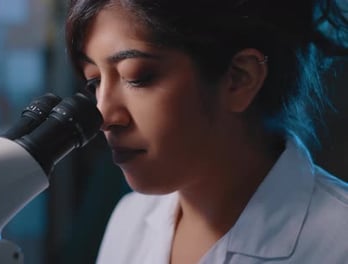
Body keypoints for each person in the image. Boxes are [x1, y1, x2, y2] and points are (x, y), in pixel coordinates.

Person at [65, 0, 348, 263]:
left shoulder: (339, 241)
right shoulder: (129, 219)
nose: (105, 117)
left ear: (239, 78)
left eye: (138, 77)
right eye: (95, 83)